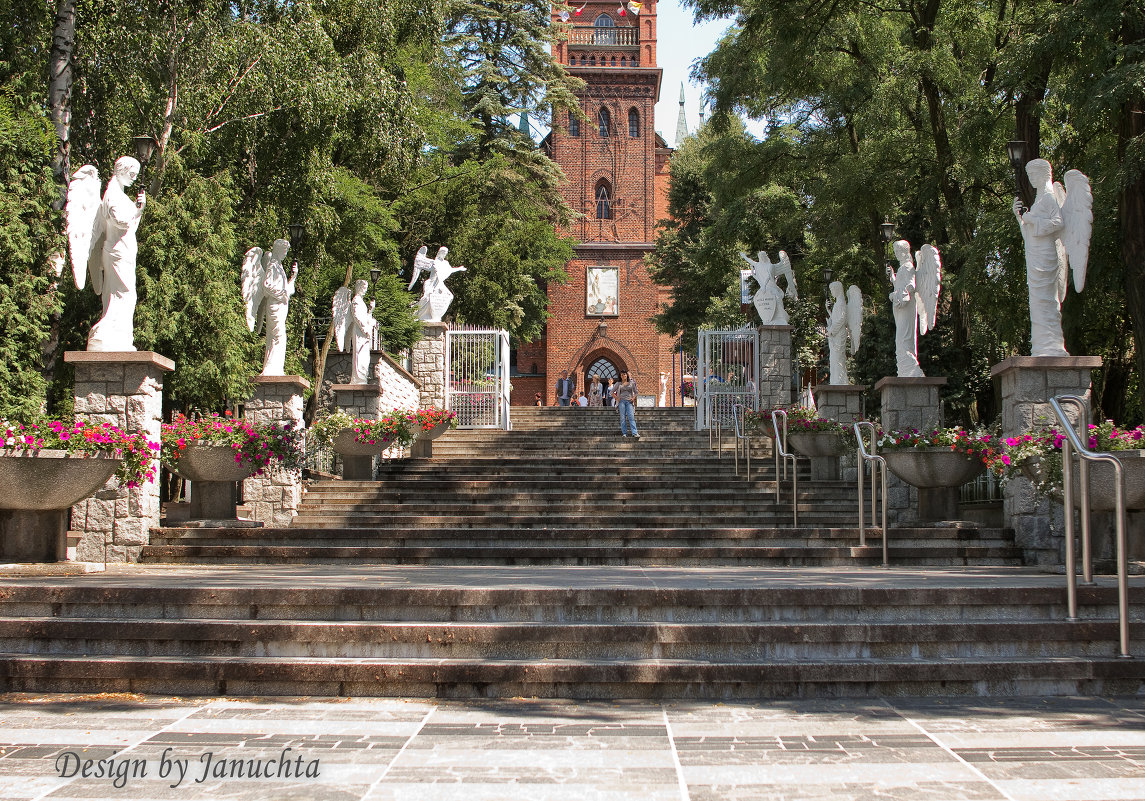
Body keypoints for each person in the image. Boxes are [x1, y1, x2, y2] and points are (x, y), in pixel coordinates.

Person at [87, 156, 145, 351]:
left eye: (136, 175)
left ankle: (119, 334)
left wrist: (138, 209)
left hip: (125, 251)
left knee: (127, 294)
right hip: (117, 252)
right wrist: (137, 211)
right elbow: (119, 220)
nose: (134, 178)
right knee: (121, 293)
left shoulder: (119, 194)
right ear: (121, 170)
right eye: (131, 174)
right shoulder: (111, 193)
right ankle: (108, 331)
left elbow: (129, 227)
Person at [615, 370, 639, 438]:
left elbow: (636, 392)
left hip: (629, 402)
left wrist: (633, 398)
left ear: (627, 375)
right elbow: (611, 392)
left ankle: (634, 433)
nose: (623, 376)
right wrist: (617, 398)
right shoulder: (618, 383)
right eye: (622, 375)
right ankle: (624, 433)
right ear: (620, 376)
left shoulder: (631, 383)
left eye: (624, 374)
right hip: (622, 401)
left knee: (631, 417)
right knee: (622, 418)